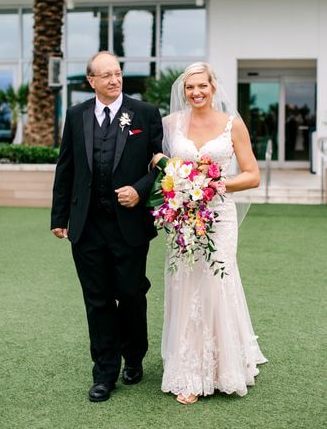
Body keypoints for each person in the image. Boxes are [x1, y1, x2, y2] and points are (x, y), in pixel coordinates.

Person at [152, 62, 267, 405]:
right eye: (190, 87)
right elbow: (161, 164)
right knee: (185, 283)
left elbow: (252, 175)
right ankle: (189, 372)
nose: (196, 92)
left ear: (213, 86)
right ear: (183, 91)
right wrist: (169, 171)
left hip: (219, 216)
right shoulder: (171, 124)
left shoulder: (233, 125)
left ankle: (225, 366)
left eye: (202, 85)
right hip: (184, 216)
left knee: (218, 282)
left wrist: (214, 184)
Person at [51, 51, 163, 402]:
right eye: (106, 75)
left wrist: (140, 190)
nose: (115, 80)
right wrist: (59, 218)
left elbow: (159, 163)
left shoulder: (144, 113)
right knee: (97, 300)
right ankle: (104, 372)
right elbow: (65, 167)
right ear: (91, 81)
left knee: (130, 293)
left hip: (128, 225)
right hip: (86, 225)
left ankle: (134, 356)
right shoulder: (76, 115)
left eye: (118, 73)